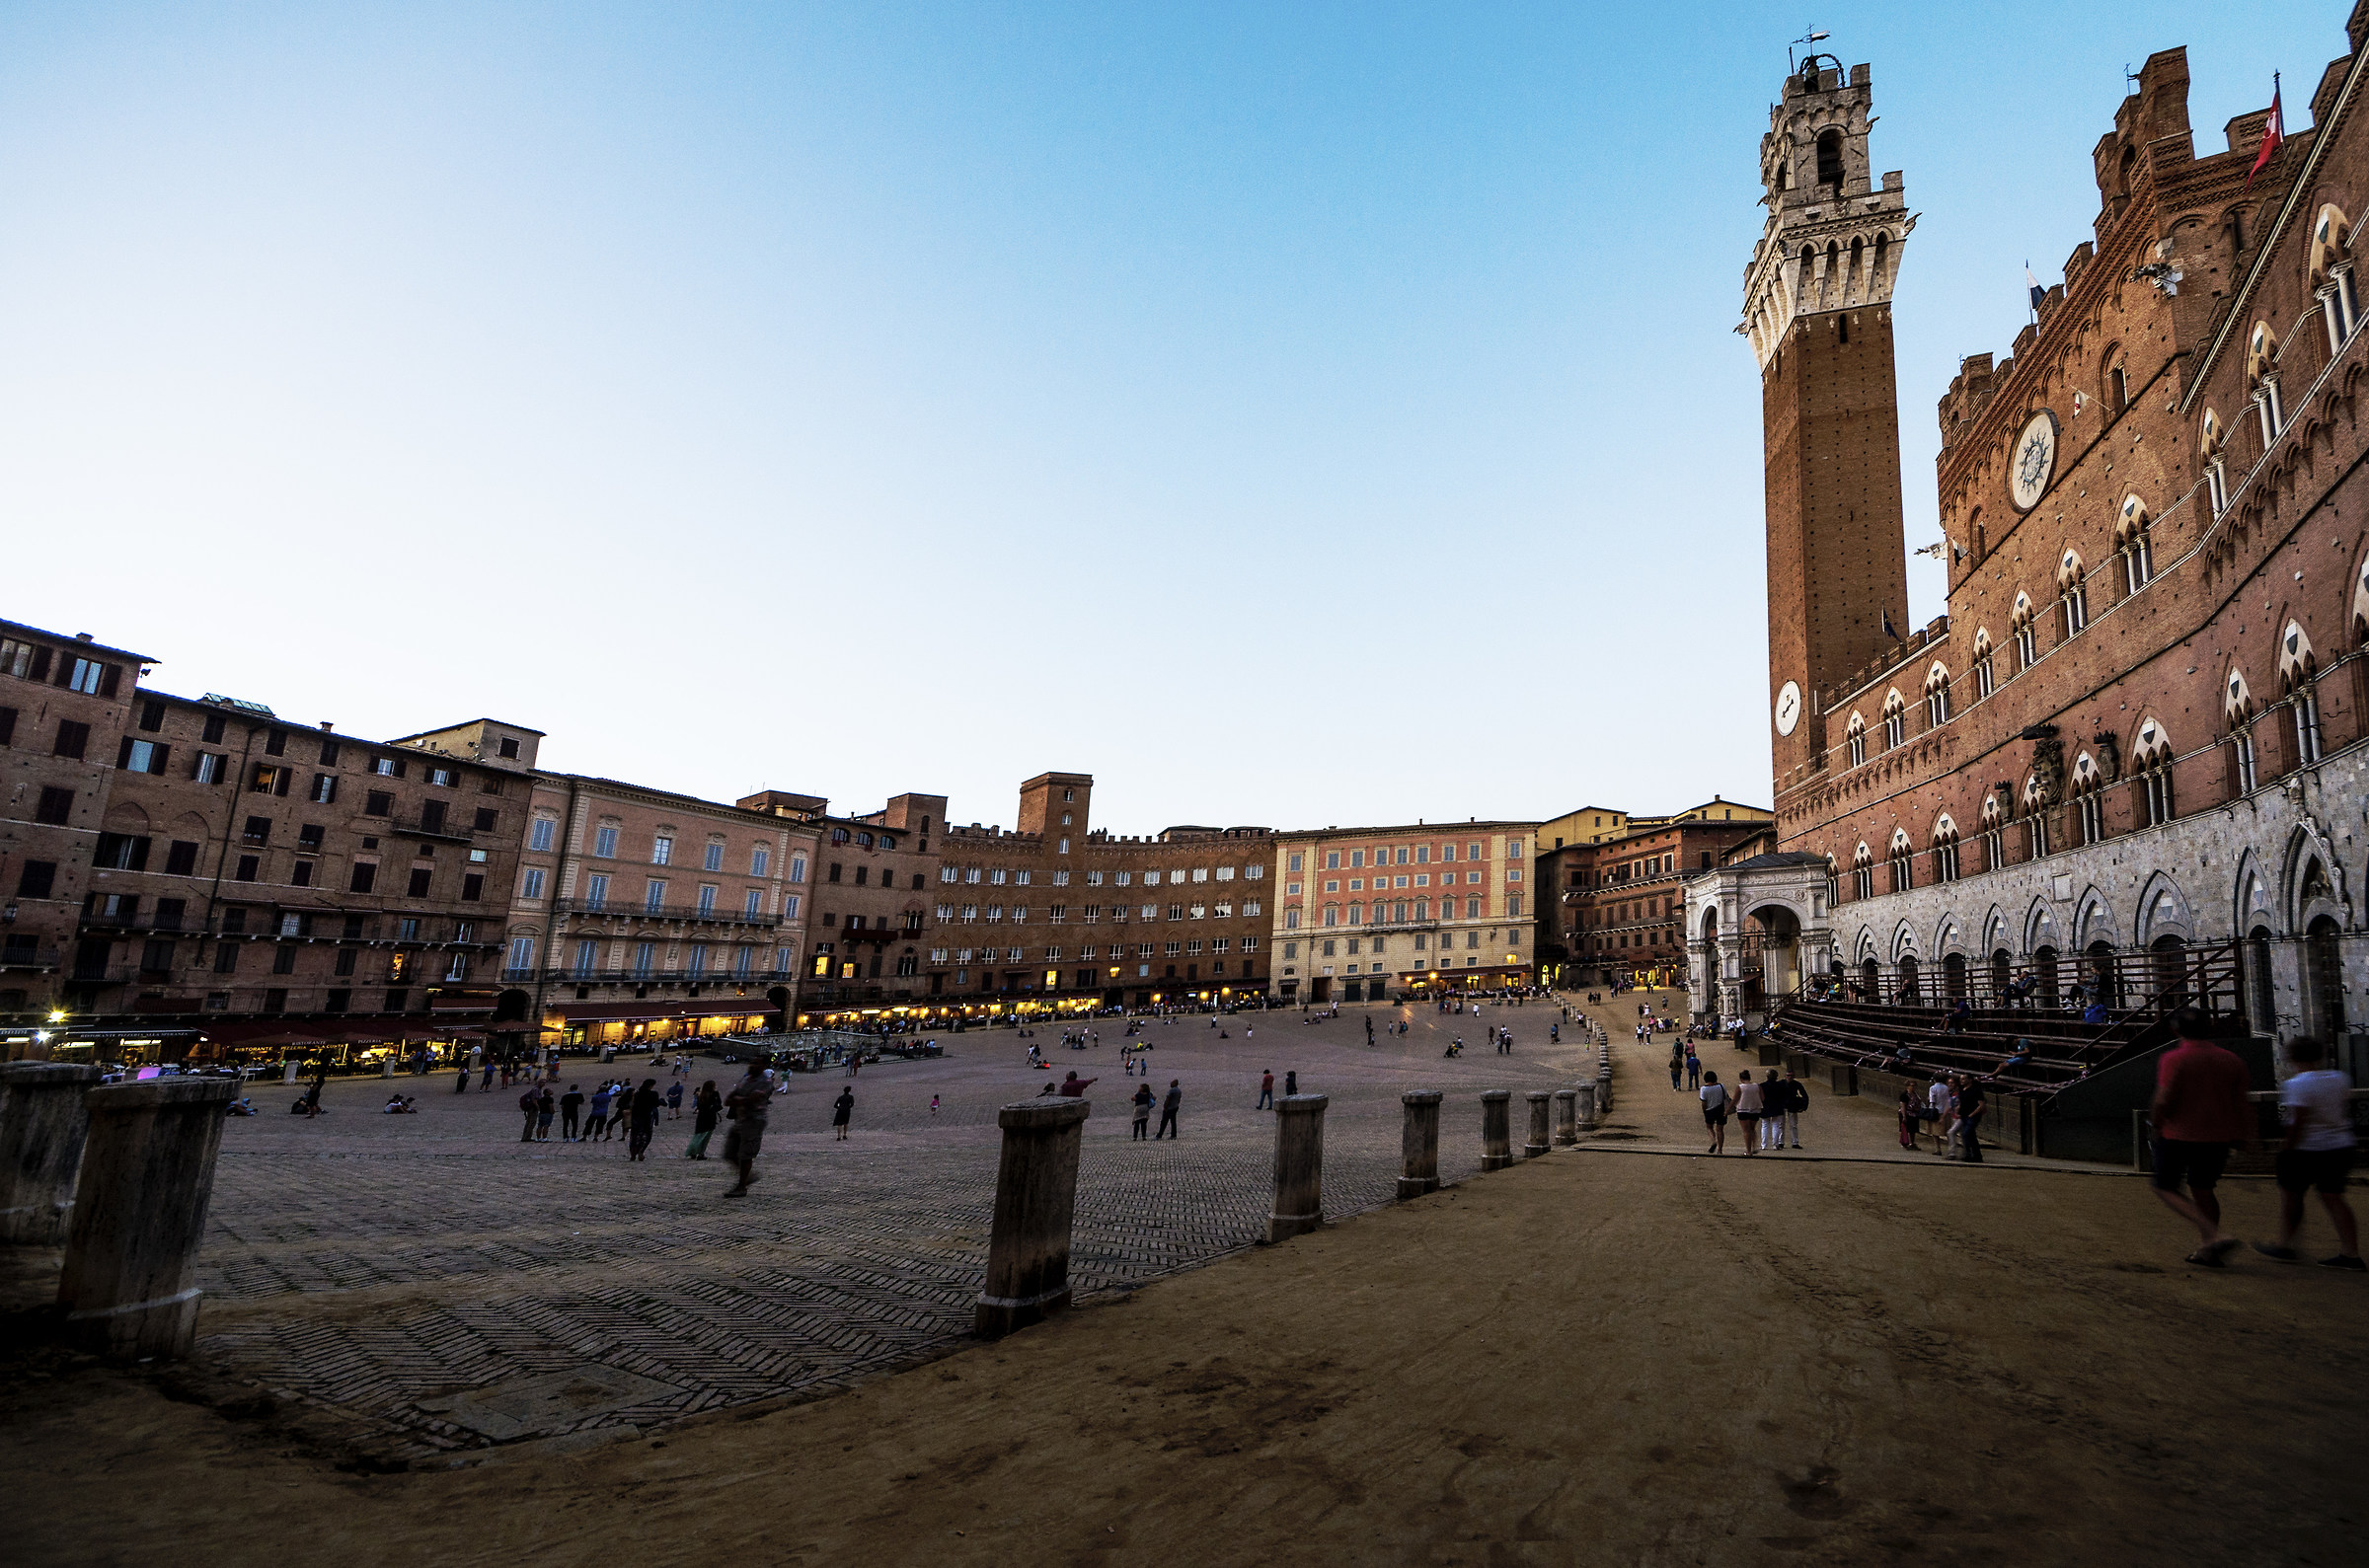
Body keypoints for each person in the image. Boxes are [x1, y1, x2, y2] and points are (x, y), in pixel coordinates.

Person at [2148, 1007, 2254, 1267]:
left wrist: (2157, 1124)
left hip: (2179, 1134)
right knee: (2204, 1189)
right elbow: (2241, 1103)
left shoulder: (2175, 1058)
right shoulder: (2231, 1059)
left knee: (2165, 1186)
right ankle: (2208, 1249)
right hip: (2218, 1136)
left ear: (2175, 1030)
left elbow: (2163, 1099)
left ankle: (2214, 1236)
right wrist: (2245, 1135)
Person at [2253, 1036, 2363, 1269]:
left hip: (2307, 1148)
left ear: (2292, 1057)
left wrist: (2287, 1147)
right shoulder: (2339, 1078)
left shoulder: (2297, 1084)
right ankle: (2351, 1252)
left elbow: (2298, 1122)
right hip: (2340, 1145)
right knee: (2334, 1197)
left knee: (2291, 1196)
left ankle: (2285, 1244)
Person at [722, 1066, 771, 1194]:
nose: (752, 1065)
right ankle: (748, 1177)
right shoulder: (745, 1080)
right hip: (741, 1120)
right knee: (729, 1152)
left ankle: (742, 1186)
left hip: (754, 1121)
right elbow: (728, 1100)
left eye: (756, 1063)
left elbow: (752, 1100)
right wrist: (741, 1100)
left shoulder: (765, 1082)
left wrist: (739, 1099)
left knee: (746, 1155)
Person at [623, 1079, 661, 1160]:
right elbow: (656, 1104)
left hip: (636, 1116)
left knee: (635, 1135)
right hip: (647, 1117)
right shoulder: (653, 1094)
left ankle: (633, 1154)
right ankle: (641, 1151)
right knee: (646, 1136)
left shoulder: (637, 1094)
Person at [686, 1080, 722, 1159]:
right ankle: (701, 1153)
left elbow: (699, 1107)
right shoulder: (714, 1094)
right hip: (710, 1118)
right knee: (705, 1137)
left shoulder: (701, 1095)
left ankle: (693, 1151)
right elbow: (718, 1104)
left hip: (701, 1117)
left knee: (698, 1136)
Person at [1954, 1072, 1986, 1161]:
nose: (1961, 1081)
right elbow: (1962, 1101)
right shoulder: (1962, 1089)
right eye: (1961, 1079)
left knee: (1966, 1134)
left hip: (1973, 1115)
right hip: (1964, 1114)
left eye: (1963, 1079)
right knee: (1971, 1135)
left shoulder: (1976, 1090)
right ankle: (1975, 1155)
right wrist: (1958, 1108)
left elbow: (1981, 1105)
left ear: (1970, 1080)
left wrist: (1972, 1114)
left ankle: (1970, 1154)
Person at [1733, 1071, 1765, 1157]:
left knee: (1746, 1131)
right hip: (1755, 1110)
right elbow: (1762, 1098)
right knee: (1752, 1129)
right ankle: (1754, 1146)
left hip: (1743, 1109)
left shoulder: (1740, 1087)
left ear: (1741, 1079)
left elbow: (1735, 1099)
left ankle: (1748, 1150)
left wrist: (1728, 1109)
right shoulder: (1757, 1086)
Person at [1699, 1071, 1728, 1155]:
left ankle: (1713, 1141)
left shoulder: (1703, 1089)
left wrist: (1704, 1111)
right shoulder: (1721, 1086)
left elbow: (1704, 1103)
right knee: (1720, 1129)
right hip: (1721, 1109)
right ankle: (1720, 1150)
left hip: (1709, 1110)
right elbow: (1726, 1097)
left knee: (1709, 1127)